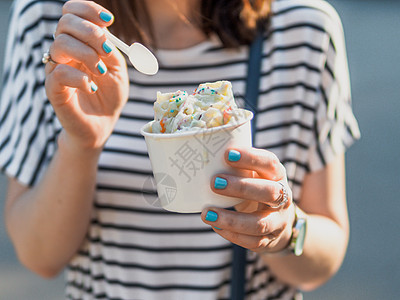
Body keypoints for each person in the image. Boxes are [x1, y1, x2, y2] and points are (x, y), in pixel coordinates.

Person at [0, 0, 360, 299]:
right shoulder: (56, 24)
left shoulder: (305, 30)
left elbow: (323, 257)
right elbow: (39, 255)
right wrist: (81, 145)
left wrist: (284, 230)